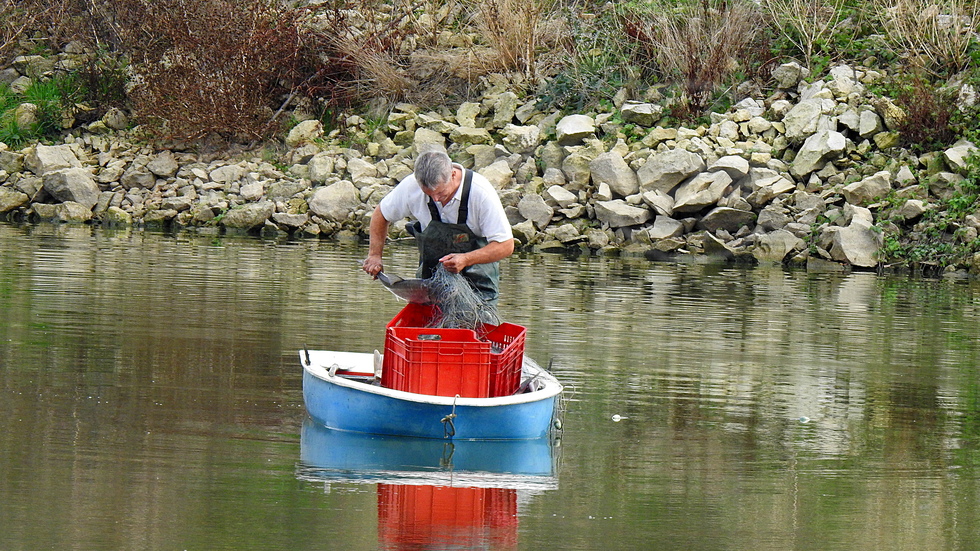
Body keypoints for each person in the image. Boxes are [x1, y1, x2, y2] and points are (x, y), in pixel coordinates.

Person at [362, 150, 514, 305]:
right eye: (428, 194)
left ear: (453, 174)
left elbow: (506, 245)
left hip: (478, 284)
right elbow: (381, 214)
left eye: (441, 193)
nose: (435, 199)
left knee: (476, 321)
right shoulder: (410, 187)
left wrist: (466, 259)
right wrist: (374, 254)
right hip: (430, 283)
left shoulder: (480, 193)